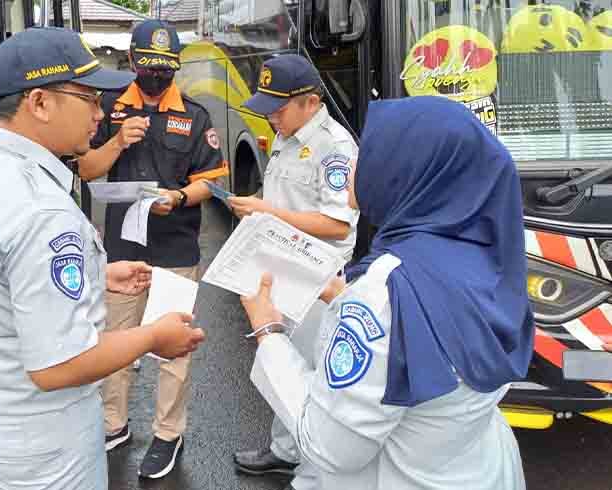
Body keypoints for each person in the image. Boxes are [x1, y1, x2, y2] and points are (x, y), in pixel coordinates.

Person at [0, 27, 205, 490]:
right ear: (39, 102)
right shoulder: (41, 209)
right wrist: (153, 337)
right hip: (42, 434)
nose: (100, 113)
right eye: (89, 99)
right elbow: (58, 365)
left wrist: (96, 274)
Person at [239, 96, 533, 490]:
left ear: (407, 170)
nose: (355, 164)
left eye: (370, 153)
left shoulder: (384, 294)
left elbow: (328, 446)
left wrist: (268, 331)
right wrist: (344, 297)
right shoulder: (485, 258)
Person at [78, 19, 228, 479]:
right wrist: (117, 141)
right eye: (148, 67)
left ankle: (168, 433)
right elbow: (85, 169)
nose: (157, 76)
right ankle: (114, 423)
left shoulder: (194, 115)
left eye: (166, 68)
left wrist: (178, 197)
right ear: (131, 61)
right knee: (114, 341)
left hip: (176, 246)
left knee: (172, 349)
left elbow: (210, 181)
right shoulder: (107, 107)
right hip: (122, 249)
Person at [228, 54, 359, 481]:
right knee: (283, 357)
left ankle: (315, 467)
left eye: (279, 108)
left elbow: (338, 225)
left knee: (312, 371)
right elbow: (285, 201)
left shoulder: (335, 147)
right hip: (282, 268)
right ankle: (286, 450)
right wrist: (259, 210)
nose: (272, 117)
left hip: (317, 280)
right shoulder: (287, 135)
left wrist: (268, 213)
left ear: (311, 102)